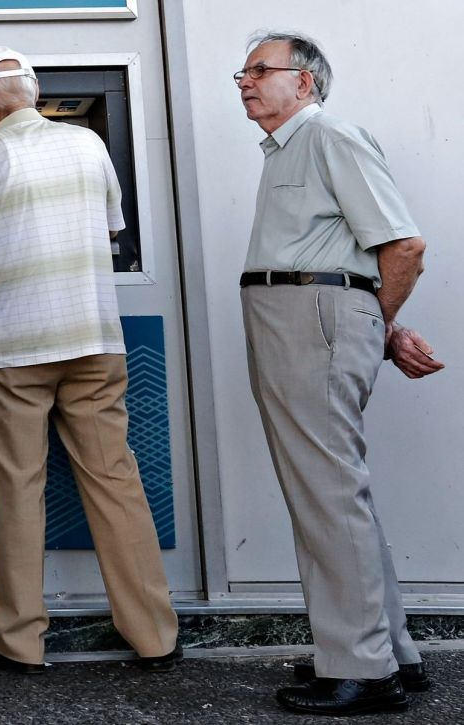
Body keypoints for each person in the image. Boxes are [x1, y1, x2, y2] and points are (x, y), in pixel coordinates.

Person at [0, 46, 181, 676]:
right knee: (115, 479)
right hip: (94, 338)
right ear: (36, 89)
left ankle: (17, 639)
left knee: (19, 486)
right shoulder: (88, 145)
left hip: (15, 348)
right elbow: (110, 228)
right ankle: (154, 634)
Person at [234, 31, 445, 716]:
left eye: (261, 70)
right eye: (243, 71)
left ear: (306, 82)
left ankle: (363, 667)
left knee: (329, 493)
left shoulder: (330, 136)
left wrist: (374, 322)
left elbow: (404, 245)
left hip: (312, 316)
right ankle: (388, 650)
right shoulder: (291, 148)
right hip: (298, 314)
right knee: (333, 492)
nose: (245, 80)